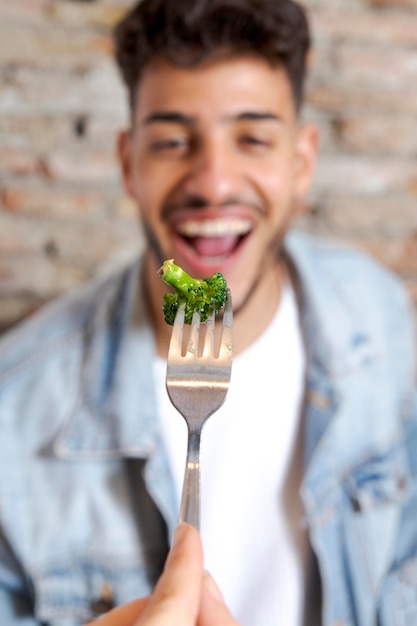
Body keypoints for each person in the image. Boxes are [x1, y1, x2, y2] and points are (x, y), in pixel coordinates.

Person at [0, 0, 415, 624]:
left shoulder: (382, 318)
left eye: (252, 138)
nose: (214, 182)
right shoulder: (15, 407)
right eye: (171, 140)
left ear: (301, 163)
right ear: (126, 163)